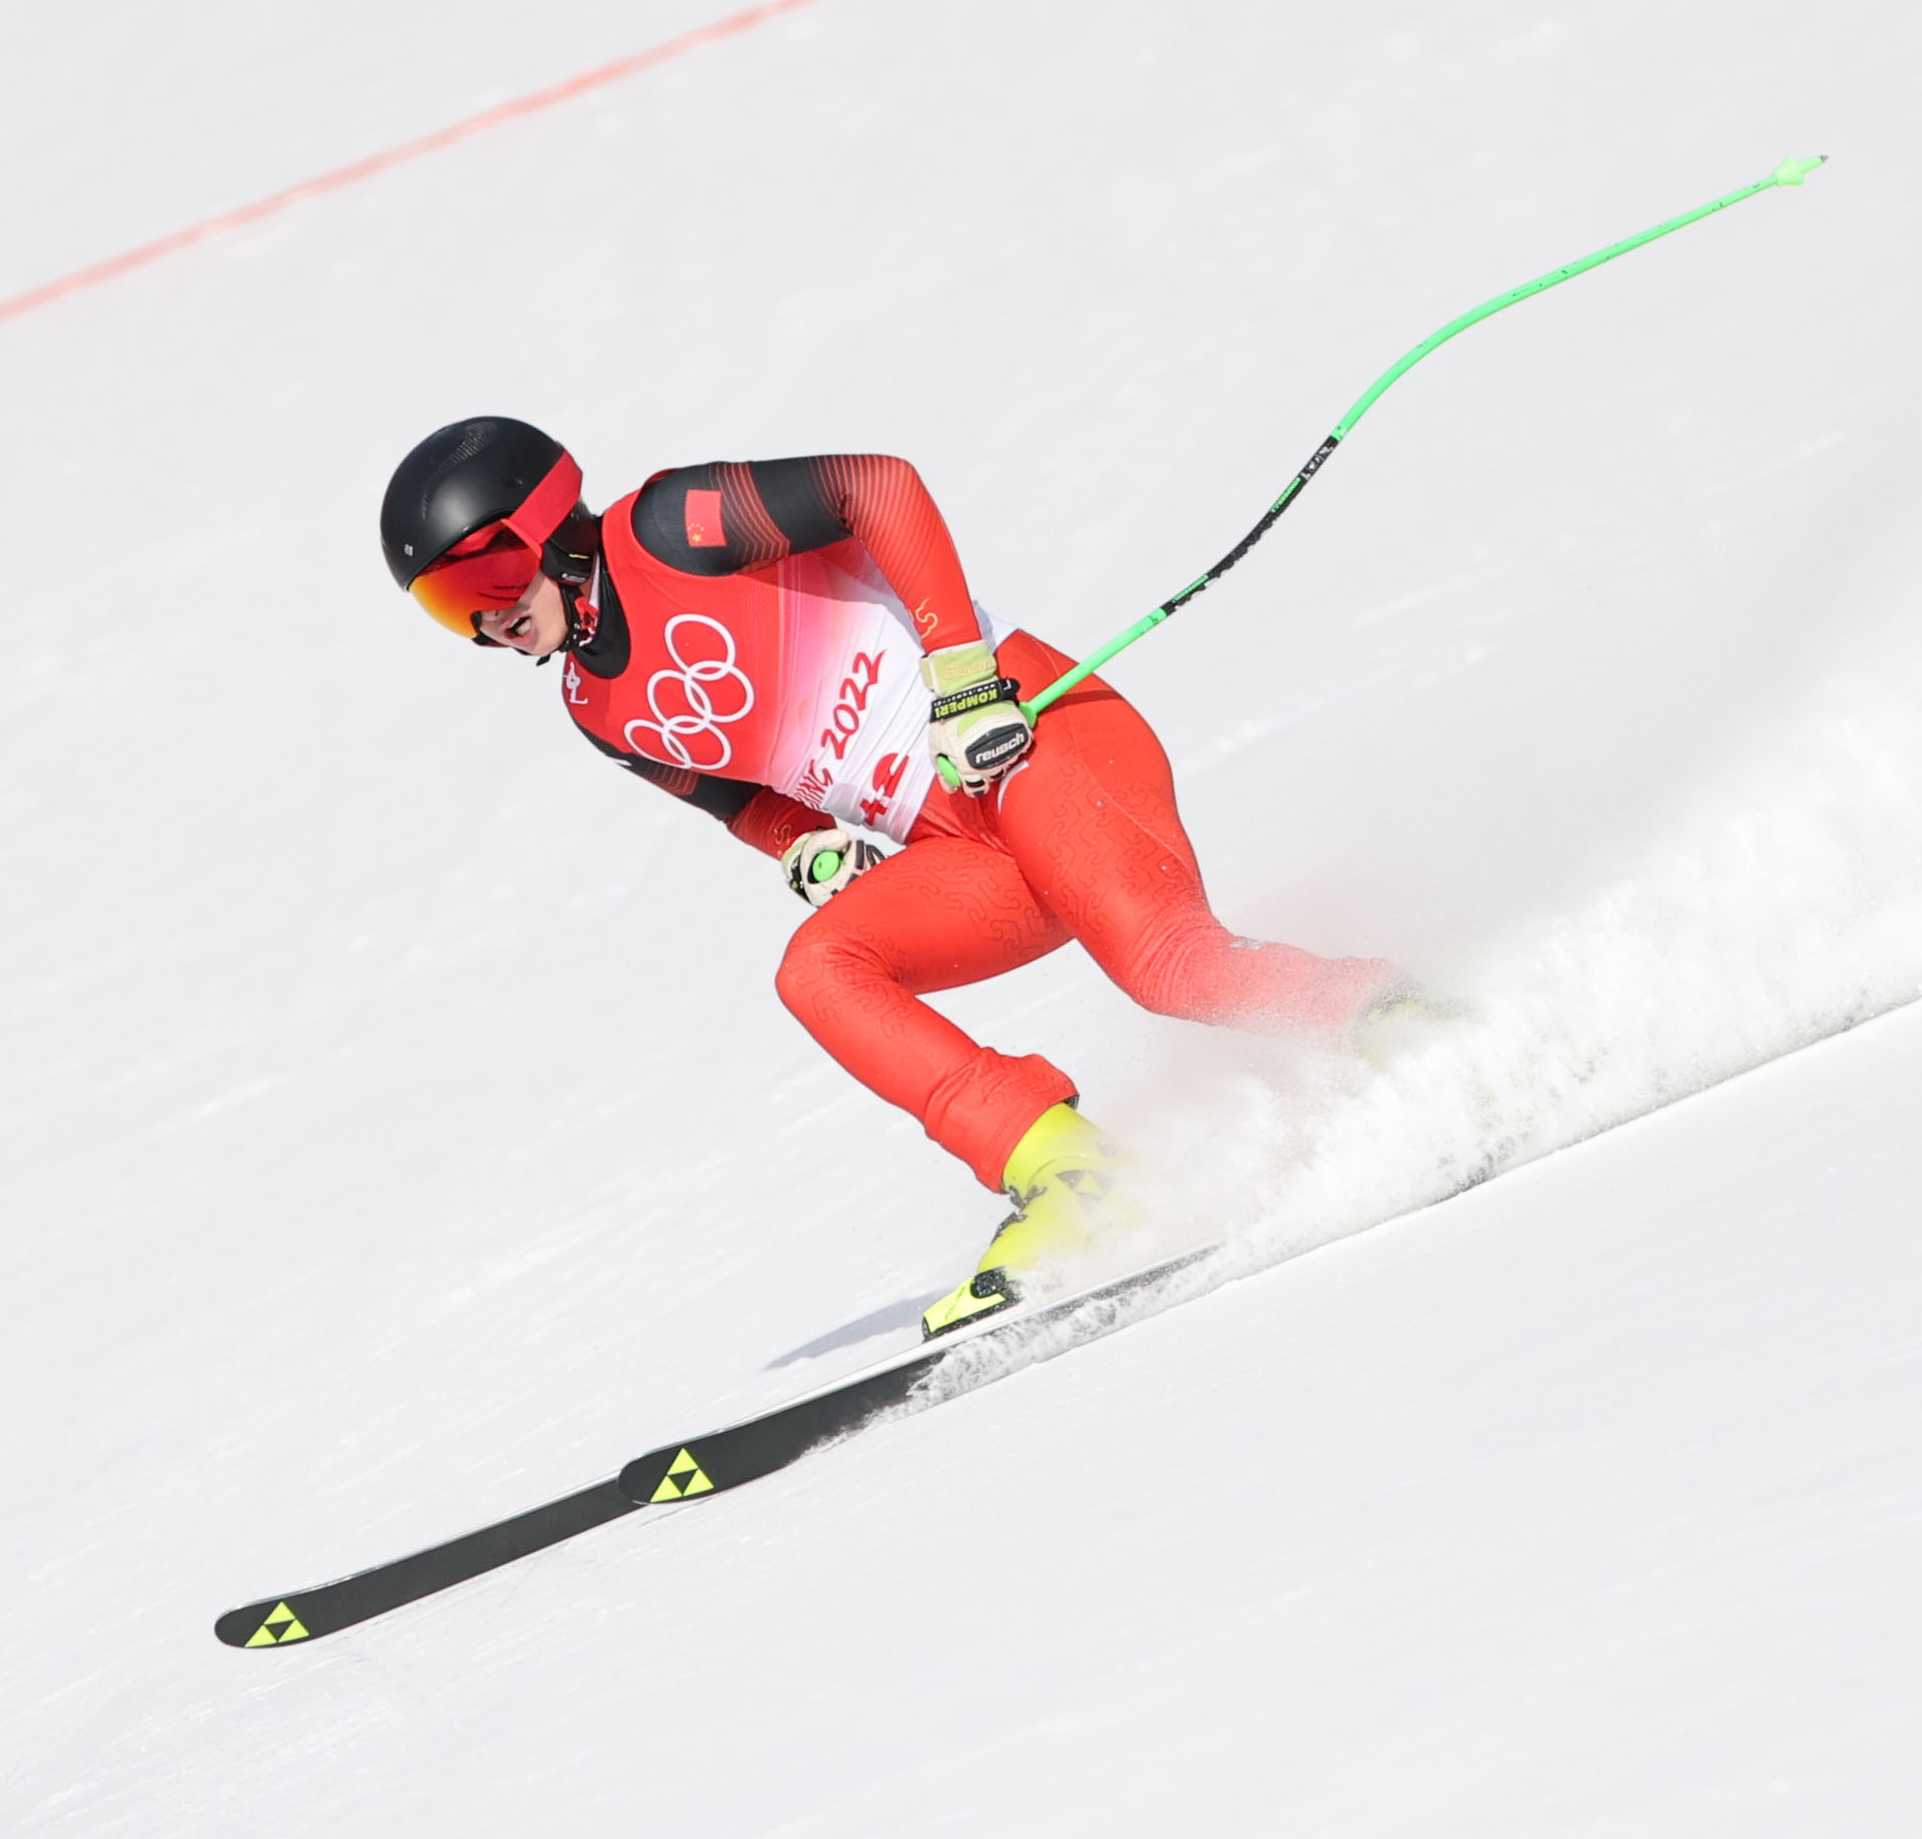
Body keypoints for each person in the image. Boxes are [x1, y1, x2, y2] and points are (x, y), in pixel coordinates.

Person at [379, 415, 1401, 1335]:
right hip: (954, 846)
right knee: (819, 968)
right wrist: (799, 842)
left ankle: (1399, 1016)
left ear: (551, 523)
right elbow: (730, 795)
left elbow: (877, 486)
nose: (486, 620)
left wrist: (961, 670)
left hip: (1027, 739)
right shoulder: (594, 710)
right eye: (449, 608)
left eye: (490, 580)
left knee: (1169, 968)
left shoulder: (669, 525)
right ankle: (1073, 1177)